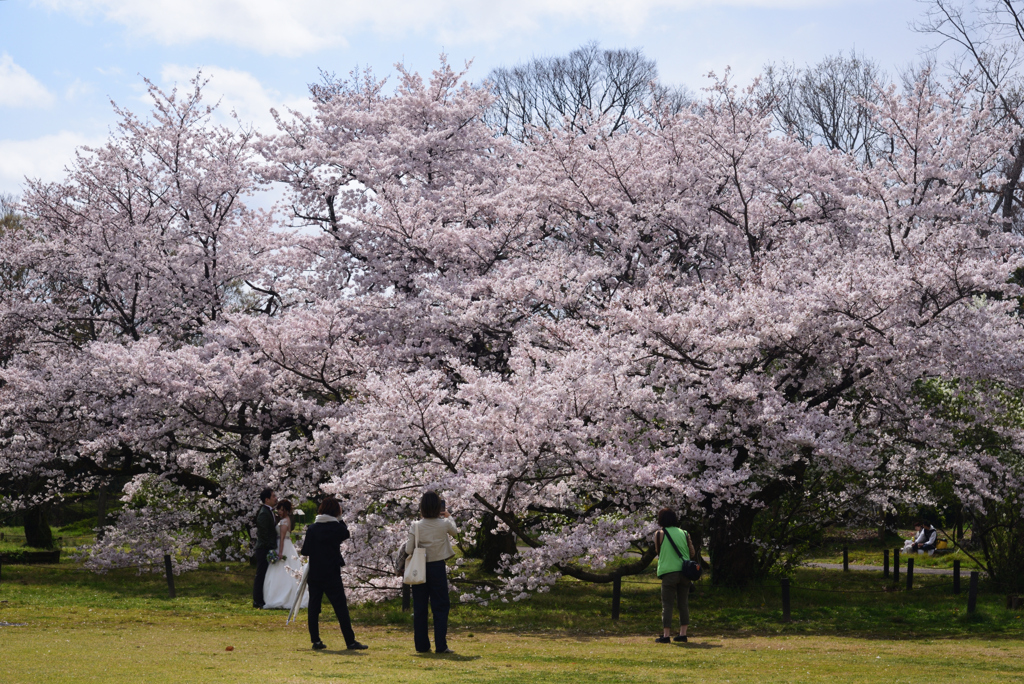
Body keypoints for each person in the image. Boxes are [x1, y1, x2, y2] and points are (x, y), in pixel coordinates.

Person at [299, 497, 367, 651]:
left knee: (314, 607)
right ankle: (350, 641)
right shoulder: (337, 528)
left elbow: (305, 551)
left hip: (315, 573)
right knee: (341, 608)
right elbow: (346, 534)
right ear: (336, 511)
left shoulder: (312, 528)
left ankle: (316, 641)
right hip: (331, 573)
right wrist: (340, 518)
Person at [407, 491, 458, 654]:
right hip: (437, 567)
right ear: (438, 507)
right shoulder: (444, 524)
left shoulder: (416, 525)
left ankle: (422, 646)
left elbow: (409, 549)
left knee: (420, 608)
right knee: (440, 606)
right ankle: (441, 645)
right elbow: (456, 532)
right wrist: (448, 516)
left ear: (421, 507)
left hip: (419, 568)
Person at [653, 508, 696, 644]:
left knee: (667, 604)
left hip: (668, 572)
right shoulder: (684, 533)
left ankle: (666, 635)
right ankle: (683, 633)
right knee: (683, 603)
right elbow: (692, 553)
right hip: (685, 573)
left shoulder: (660, 534)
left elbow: (658, 551)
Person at [262, 499, 310, 610]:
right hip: (283, 545)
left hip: (283, 546)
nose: (279, 511)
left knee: (282, 571)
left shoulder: (284, 521)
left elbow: (282, 539)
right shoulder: (284, 520)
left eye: (282, 510)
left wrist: (280, 553)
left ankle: (283, 596)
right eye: (279, 509)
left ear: (287, 511)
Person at [252, 487, 277, 609]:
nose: (276, 498)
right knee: (261, 574)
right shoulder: (263, 513)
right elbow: (263, 533)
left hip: (267, 547)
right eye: (273, 496)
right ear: (267, 499)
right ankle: (257, 600)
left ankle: (263, 598)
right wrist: (271, 548)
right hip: (263, 548)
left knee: (265, 574)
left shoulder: (270, 511)